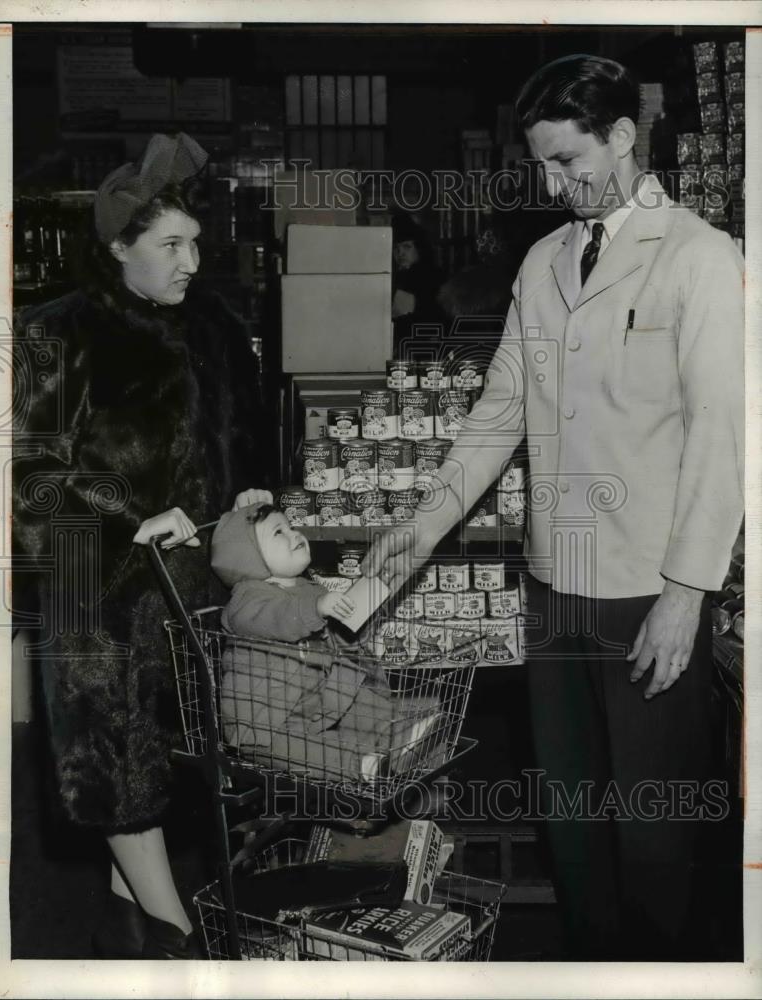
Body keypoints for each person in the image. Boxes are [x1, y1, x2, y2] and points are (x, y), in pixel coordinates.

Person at [364, 54, 744, 960]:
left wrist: (686, 596)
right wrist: (420, 526)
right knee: (573, 821)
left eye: (567, 162)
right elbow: (501, 412)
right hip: (555, 587)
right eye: (539, 165)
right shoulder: (543, 261)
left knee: (654, 831)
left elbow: (722, 435)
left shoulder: (700, 257)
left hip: (650, 594)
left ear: (622, 137)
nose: (552, 183)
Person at [12, 133, 273, 959]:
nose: (192, 259)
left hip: (195, 598)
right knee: (120, 777)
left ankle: (134, 952)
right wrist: (129, 516)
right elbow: (28, 473)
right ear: (119, 249)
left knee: (161, 786)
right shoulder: (57, 333)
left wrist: (255, 495)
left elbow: (252, 445)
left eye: (195, 241)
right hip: (97, 596)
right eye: (170, 245)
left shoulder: (218, 327)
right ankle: (187, 949)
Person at [210, 502, 442, 783]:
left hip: (315, 702)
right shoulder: (245, 600)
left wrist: (359, 614)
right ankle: (366, 766)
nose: (294, 534)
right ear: (248, 558)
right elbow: (275, 617)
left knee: (360, 703)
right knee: (305, 751)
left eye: (292, 527)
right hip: (264, 723)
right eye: (279, 532)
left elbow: (338, 641)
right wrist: (317, 608)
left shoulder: (311, 589)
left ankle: (397, 732)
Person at [390, 212, 445, 357]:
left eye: (407, 247)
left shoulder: (433, 278)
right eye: (396, 248)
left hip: (423, 352)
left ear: (420, 249)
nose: (400, 253)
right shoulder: (396, 278)